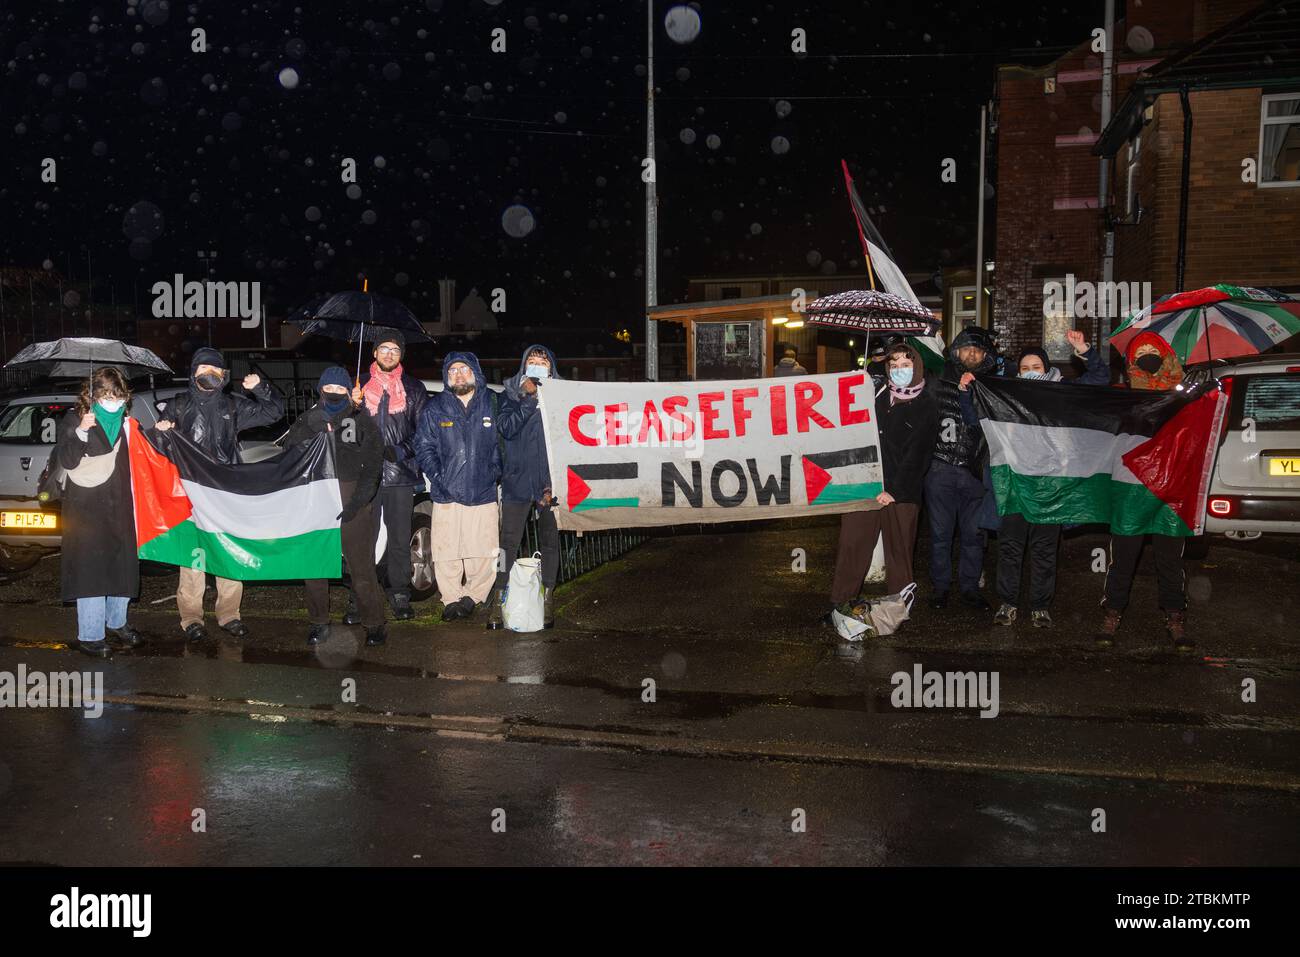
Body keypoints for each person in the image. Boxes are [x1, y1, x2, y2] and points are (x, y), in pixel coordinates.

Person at [958, 330, 1112, 628]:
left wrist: (1084, 350)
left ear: (1047, 369)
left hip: (1049, 486)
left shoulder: (1061, 392)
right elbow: (974, 419)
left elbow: (1100, 380)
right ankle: (1008, 603)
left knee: (1044, 549)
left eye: (1036, 367)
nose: (1030, 373)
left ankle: (1041, 606)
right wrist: (966, 392)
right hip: (1015, 485)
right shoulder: (1007, 395)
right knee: (1010, 548)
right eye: (1025, 368)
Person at [154, 347, 283, 641]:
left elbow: (274, 412)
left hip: (225, 493)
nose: (208, 374)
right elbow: (159, 450)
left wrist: (261, 388)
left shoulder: (233, 406)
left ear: (222, 375)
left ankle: (229, 615)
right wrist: (161, 433)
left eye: (214, 369)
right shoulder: (178, 404)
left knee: (227, 552)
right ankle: (191, 617)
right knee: (193, 558)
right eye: (202, 369)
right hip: (190, 494)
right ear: (193, 373)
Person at [1096, 332, 1193, 651]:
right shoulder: (1122, 395)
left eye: (1155, 350)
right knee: (1123, 557)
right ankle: (1113, 611)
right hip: (1131, 487)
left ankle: (1175, 615)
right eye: (1142, 352)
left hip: (1170, 487)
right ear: (1131, 361)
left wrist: (1202, 399)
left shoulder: (1183, 396)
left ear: (1166, 355)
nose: (1148, 356)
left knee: (1170, 558)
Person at [829, 342, 938, 619]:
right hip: (866, 485)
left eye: (905, 364)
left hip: (900, 494)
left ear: (916, 367)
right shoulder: (876, 395)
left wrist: (894, 490)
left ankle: (898, 608)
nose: (899, 370)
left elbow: (918, 455)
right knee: (852, 544)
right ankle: (841, 605)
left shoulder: (926, 404)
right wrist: (853, 386)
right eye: (894, 365)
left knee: (899, 552)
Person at [286, 367, 387, 646]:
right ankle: (319, 622)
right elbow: (289, 454)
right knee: (314, 567)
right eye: (328, 387)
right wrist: (309, 428)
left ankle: (375, 623)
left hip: (351, 500)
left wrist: (360, 500)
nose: (334, 392)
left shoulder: (359, 419)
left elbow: (374, 461)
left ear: (348, 391)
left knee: (362, 567)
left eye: (340, 388)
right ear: (320, 390)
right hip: (316, 502)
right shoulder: (308, 418)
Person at [56, 367, 144, 657]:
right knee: (90, 569)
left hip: (119, 504)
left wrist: (160, 433)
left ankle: (117, 622)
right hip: (86, 510)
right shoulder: (74, 419)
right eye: (107, 396)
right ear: (92, 395)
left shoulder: (126, 423)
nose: (113, 402)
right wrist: (81, 431)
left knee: (121, 563)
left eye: (118, 396)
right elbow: (67, 460)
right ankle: (91, 634)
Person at [414, 352, 502, 622]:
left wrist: (494, 472)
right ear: (446, 377)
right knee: (446, 550)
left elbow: (504, 442)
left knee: (483, 549)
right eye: (453, 371)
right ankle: (451, 598)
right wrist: (440, 476)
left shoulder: (493, 403)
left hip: (483, 491)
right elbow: (423, 446)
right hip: (446, 493)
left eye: (464, 369)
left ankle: (473, 596)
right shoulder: (435, 408)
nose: (459, 375)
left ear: (475, 372)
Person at [348, 331, 427, 621]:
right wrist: (351, 407)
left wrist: (399, 451)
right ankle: (360, 597)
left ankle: (400, 594)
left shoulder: (414, 388)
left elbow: (423, 433)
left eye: (395, 349)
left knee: (398, 538)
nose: (389, 354)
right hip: (364, 475)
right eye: (384, 348)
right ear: (374, 353)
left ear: (401, 355)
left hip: (400, 475)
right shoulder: (356, 387)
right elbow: (343, 433)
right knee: (362, 539)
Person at [925, 325, 999, 610]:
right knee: (940, 535)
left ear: (985, 355)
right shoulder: (936, 379)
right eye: (967, 348)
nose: (972, 353)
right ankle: (940, 587)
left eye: (978, 349)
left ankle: (969, 588)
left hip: (975, 472)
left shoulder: (992, 388)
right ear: (956, 351)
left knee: (973, 535)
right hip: (940, 469)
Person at [489, 344, 562, 630]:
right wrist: (529, 398)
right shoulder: (509, 394)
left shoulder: (560, 396)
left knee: (549, 541)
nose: (537, 364)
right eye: (532, 360)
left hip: (549, 483)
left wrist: (551, 484)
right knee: (507, 544)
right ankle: (498, 598)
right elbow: (506, 428)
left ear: (551, 367)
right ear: (523, 365)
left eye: (543, 360)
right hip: (516, 481)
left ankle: (547, 597)